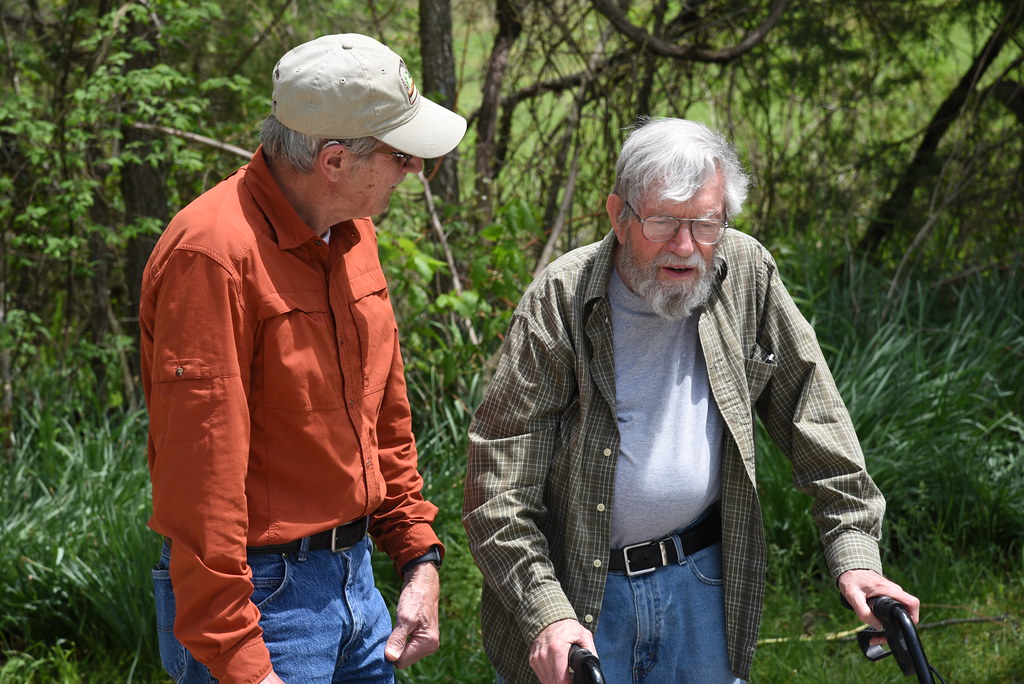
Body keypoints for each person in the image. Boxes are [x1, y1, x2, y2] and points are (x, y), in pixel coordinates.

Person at [462, 117, 920, 684]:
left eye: (705, 223)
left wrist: (855, 553)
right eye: (662, 222)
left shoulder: (744, 270)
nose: (685, 246)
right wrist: (546, 614)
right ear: (619, 216)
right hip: (579, 595)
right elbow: (497, 491)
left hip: (703, 584)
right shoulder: (560, 301)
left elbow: (814, 414)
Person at [140, 33, 467, 684]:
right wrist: (239, 661)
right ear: (335, 161)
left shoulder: (353, 232)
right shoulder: (213, 257)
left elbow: (384, 419)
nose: (416, 172)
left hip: (357, 592)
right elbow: (201, 488)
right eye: (402, 156)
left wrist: (418, 558)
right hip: (261, 608)